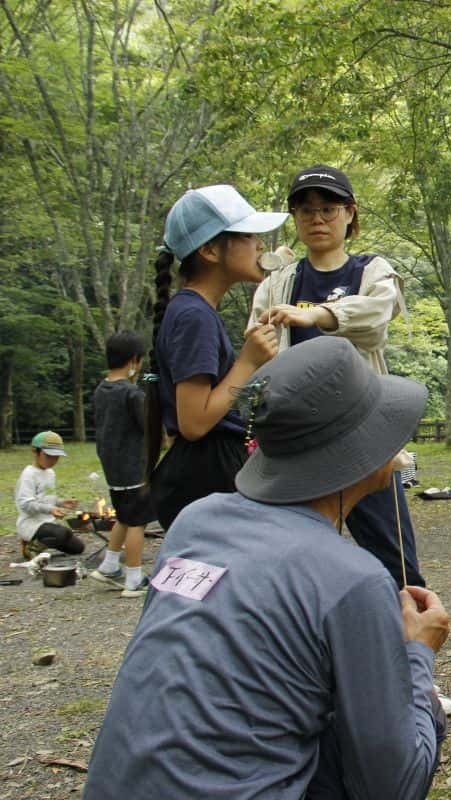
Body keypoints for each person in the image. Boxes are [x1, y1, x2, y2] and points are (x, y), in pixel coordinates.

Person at [84, 336, 448, 800]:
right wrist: (417, 653)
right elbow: (394, 786)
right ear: (365, 454)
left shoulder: (197, 521)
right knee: (424, 713)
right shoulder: (354, 578)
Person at [249, 164, 425, 589]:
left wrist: (314, 314)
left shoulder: (371, 271)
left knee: (393, 556)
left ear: (350, 213)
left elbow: (377, 317)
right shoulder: (279, 281)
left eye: (328, 208)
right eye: (305, 210)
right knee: (296, 553)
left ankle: (410, 639)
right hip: (300, 438)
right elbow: (259, 343)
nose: (317, 219)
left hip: (363, 435)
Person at [146, 184, 286, 532]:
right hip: (208, 472)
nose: (259, 245)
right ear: (209, 249)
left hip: (209, 468)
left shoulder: (193, 310)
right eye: (248, 235)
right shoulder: (194, 316)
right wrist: (247, 362)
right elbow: (194, 423)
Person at [90, 331, 155, 598]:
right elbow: (147, 426)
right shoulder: (131, 393)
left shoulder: (101, 389)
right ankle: (133, 579)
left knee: (125, 517)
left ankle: (108, 566)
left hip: (112, 468)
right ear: (134, 360)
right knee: (137, 522)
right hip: (133, 468)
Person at [14, 431, 83, 560]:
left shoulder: (50, 473)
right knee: (63, 533)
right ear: (35, 452)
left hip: (47, 522)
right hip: (31, 523)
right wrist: (50, 509)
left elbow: (47, 497)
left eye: (56, 457)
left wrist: (61, 502)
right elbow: (25, 504)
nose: (53, 460)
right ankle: (30, 546)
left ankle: (44, 542)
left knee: (78, 548)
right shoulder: (29, 475)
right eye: (48, 456)